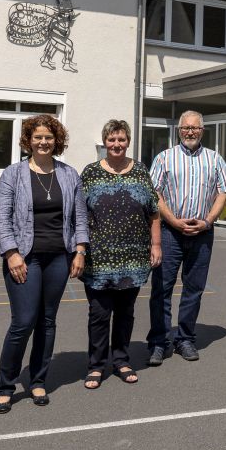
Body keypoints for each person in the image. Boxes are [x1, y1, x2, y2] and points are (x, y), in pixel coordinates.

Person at [0, 114, 88, 414]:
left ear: (56, 140)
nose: (43, 142)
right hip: (24, 258)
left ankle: (37, 380)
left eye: (49, 137)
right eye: (38, 137)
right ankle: (6, 385)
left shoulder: (69, 174)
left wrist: (80, 250)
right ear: (28, 141)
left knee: (47, 321)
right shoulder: (13, 174)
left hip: (58, 257)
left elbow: (80, 218)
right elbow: (1, 218)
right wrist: (11, 253)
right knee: (23, 322)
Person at [147, 110, 226, 364]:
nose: (190, 132)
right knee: (161, 290)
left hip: (202, 233)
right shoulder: (164, 158)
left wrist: (207, 221)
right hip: (170, 233)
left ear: (202, 130)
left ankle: (185, 339)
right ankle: (159, 342)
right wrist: (173, 220)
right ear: (179, 129)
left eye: (195, 128)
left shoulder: (215, 159)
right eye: (186, 127)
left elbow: (223, 194)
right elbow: (155, 194)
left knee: (193, 289)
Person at [80, 120, 160, 388]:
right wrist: (78, 249)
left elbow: (154, 212)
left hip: (134, 258)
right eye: (112, 140)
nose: (116, 144)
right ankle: (96, 365)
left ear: (128, 142)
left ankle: (122, 360)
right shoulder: (90, 173)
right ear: (104, 142)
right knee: (100, 314)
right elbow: (78, 214)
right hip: (98, 258)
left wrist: (156, 246)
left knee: (125, 312)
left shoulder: (140, 171)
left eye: (121, 140)